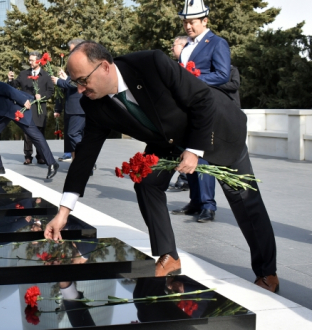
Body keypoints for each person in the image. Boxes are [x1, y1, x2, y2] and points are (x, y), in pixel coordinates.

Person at [43, 41, 278, 293]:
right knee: (146, 182)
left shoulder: (150, 63)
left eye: (82, 80)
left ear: (104, 67)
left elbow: (202, 99)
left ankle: (267, 272)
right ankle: (169, 256)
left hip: (214, 129)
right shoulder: (93, 102)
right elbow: (86, 155)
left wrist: (194, 150)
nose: (79, 89)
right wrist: (64, 212)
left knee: (244, 198)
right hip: (166, 141)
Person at [172, 0, 231, 223]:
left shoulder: (217, 43)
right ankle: (195, 201)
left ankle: (208, 205)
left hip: (207, 107)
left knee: (202, 155)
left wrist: (195, 79)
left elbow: (223, 75)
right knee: (188, 154)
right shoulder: (187, 46)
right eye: (185, 21)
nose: (188, 25)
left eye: (193, 21)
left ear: (205, 20)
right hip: (189, 108)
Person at [8, 51, 54, 165]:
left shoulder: (46, 76)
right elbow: (13, 87)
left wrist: (41, 96)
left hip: (40, 109)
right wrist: (10, 80)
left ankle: (41, 156)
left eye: (32, 60)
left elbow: (51, 91)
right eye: (29, 60)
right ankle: (28, 156)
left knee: (39, 133)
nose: (30, 62)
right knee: (27, 133)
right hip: (27, 108)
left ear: (39, 61)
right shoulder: (23, 74)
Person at [52, 39, 85, 162]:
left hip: (78, 107)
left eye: (72, 51)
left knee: (73, 134)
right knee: (76, 135)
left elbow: (78, 83)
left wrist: (59, 81)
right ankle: (81, 163)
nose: (70, 54)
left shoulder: (82, 62)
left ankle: (84, 161)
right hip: (73, 107)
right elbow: (73, 81)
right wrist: (65, 79)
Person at [168, 36, 190, 192]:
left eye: (173, 45)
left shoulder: (191, 66)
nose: (171, 49)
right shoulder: (174, 67)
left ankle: (184, 177)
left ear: (182, 46)